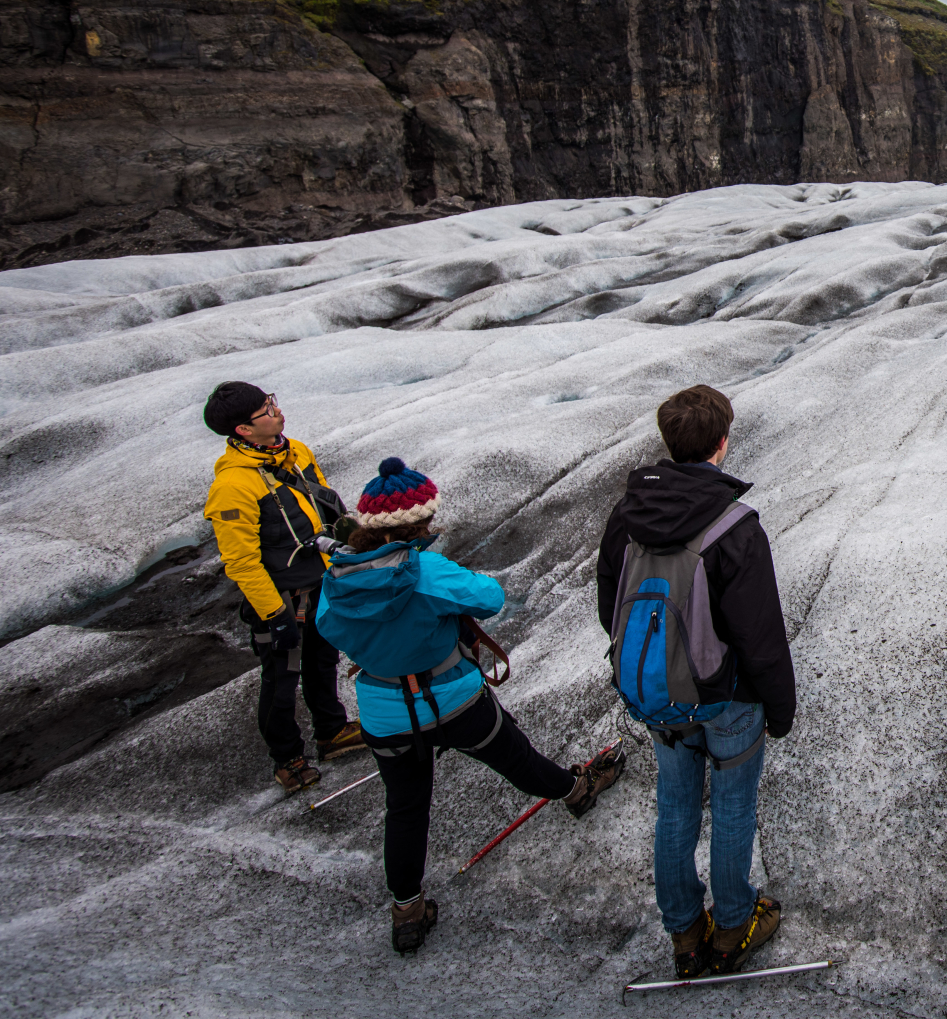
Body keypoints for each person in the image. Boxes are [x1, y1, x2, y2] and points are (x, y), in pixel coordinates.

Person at [316, 457, 627, 955]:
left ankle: (407, 909)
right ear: (417, 524)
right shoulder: (424, 570)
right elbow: (489, 597)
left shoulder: (340, 578)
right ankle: (575, 790)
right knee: (517, 760)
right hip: (454, 700)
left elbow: (328, 626)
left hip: (385, 712)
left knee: (406, 808)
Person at [597, 385, 797, 980]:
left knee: (676, 807)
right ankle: (734, 923)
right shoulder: (733, 525)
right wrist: (779, 708)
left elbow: (612, 606)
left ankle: (685, 932)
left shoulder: (626, 516)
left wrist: (653, 666)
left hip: (659, 694)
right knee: (733, 806)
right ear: (722, 442)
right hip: (727, 699)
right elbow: (759, 633)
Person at [201, 380, 361, 790]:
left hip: (320, 583)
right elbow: (240, 562)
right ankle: (288, 758)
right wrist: (275, 614)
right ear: (243, 430)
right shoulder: (233, 488)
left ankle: (331, 732)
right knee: (281, 680)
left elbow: (323, 508)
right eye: (265, 409)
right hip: (280, 598)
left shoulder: (297, 452)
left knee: (323, 662)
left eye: (271, 401)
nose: (276, 409)